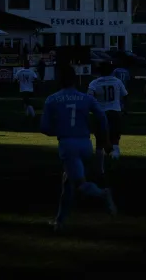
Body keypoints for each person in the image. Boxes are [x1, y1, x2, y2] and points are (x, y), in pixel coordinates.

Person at [40, 65, 117, 231]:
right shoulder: (86, 98)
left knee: (80, 184)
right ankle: (59, 222)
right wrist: (105, 139)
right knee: (67, 183)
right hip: (85, 142)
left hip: (68, 144)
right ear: (75, 80)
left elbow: (45, 128)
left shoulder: (52, 99)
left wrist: (61, 130)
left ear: (59, 80)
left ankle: (103, 193)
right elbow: (102, 118)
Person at [87, 63, 128, 171]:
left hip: (101, 113)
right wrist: (125, 109)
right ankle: (115, 160)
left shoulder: (94, 83)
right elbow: (125, 96)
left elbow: (89, 98)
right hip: (115, 111)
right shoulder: (117, 81)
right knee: (115, 138)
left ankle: (101, 169)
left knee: (100, 142)